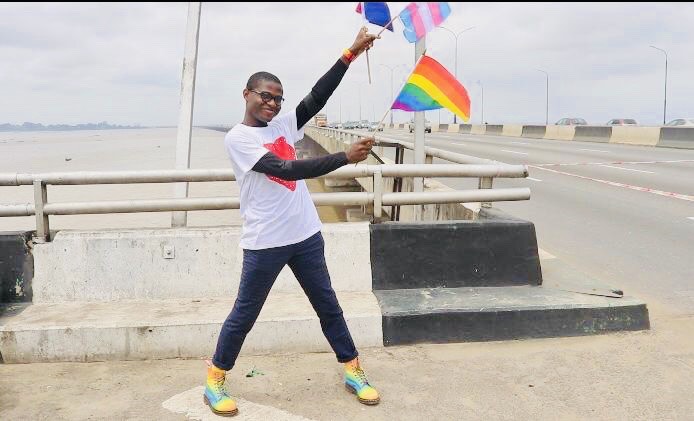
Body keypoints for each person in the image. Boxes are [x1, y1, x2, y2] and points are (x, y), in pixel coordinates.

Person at [204, 27, 380, 417]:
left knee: (328, 306)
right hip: (265, 242)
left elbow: (318, 96)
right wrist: (344, 158)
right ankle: (215, 377)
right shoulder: (238, 139)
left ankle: (353, 370)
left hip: (305, 236)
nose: (272, 103)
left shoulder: (284, 124)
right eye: (265, 95)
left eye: (277, 98)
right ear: (246, 94)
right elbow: (284, 168)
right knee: (244, 314)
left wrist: (349, 54)